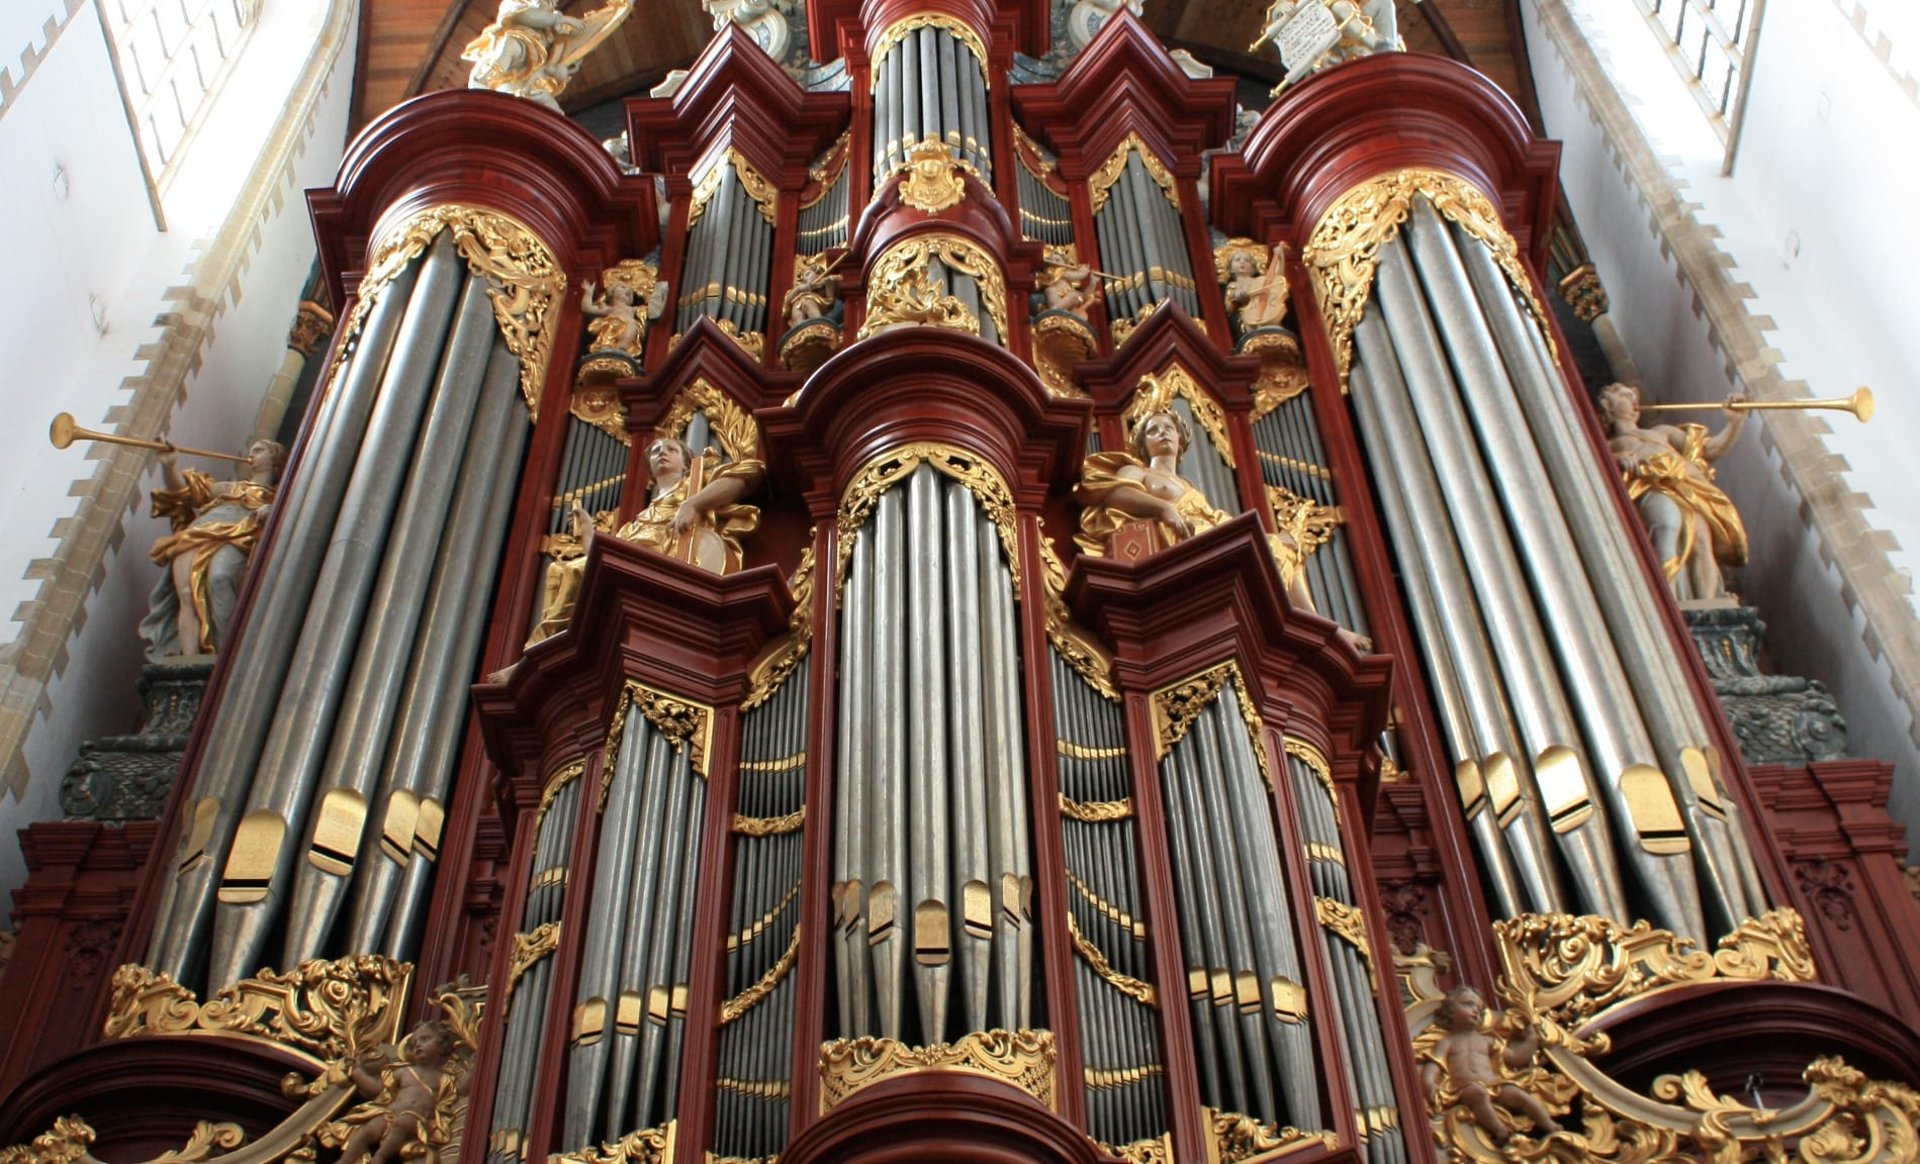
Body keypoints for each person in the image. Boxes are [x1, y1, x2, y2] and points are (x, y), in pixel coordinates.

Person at [1076, 410, 1368, 648]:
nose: (1162, 433)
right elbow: (1115, 495)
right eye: (1153, 430)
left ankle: (1320, 627)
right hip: (1178, 539)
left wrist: (1270, 538)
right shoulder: (1137, 471)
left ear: (1180, 438)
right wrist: (1163, 508)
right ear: (1143, 443)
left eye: (1169, 428)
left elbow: (1221, 523)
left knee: (1282, 549)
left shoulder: (1190, 488)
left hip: (1204, 534)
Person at [525, 435, 764, 646]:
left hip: (663, 562)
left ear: (686, 463)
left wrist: (693, 503)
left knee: (572, 572)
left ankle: (540, 649)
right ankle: (551, 643)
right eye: (657, 450)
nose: (662, 452)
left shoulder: (692, 487)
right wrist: (588, 533)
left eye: (671, 449)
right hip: (632, 566)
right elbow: (603, 559)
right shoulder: (639, 520)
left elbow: (748, 472)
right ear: (649, 468)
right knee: (557, 569)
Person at [1598, 381, 1749, 602]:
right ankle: (1666, 598)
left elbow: (1710, 449)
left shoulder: (1661, 433)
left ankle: (1707, 605)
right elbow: (1593, 466)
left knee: (1702, 540)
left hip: (1687, 488)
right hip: (1652, 487)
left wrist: (1735, 423)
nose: (1632, 401)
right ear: (1608, 406)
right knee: (1667, 525)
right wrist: (1617, 459)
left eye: (1633, 397)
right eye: (1624, 396)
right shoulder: (1607, 444)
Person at [139, 437, 284, 661]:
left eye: (259, 450)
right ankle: (190, 659)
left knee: (220, 577)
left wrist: (271, 508)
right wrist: (169, 465)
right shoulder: (228, 487)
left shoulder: (278, 497)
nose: (252, 454)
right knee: (186, 595)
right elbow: (184, 492)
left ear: (274, 459)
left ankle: (227, 653)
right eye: (252, 450)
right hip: (197, 533)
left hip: (237, 535)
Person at [1420, 986, 1562, 1145]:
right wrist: (1429, 1084)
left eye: (1479, 1010)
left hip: (1494, 1084)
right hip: (1465, 1088)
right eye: (1468, 1004)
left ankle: (1549, 1124)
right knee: (1478, 1094)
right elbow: (1434, 1066)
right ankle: (1500, 1131)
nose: (1475, 1011)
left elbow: (1515, 1058)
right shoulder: (1447, 1042)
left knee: (1519, 1095)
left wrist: (1531, 1040)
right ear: (1451, 1010)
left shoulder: (1488, 1041)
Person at [330, 1020, 464, 1164]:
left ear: (442, 1045)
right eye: (413, 1043)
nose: (418, 1044)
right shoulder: (403, 1071)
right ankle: (344, 1160)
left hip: (416, 1120)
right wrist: (357, 1072)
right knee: (366, 1131)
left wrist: (475, 1069)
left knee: (402, 1123)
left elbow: (461, 1090)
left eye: (425, 1039)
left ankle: (380, 1158)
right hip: (390, 1113)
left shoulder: (444, 1078)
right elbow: (378, 1089)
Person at [1218, 242, 1291, 336]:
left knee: (1274, 321)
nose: (1242, 262)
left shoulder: (1260, 281)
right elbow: (1229, 306)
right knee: (1251, 325)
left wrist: (1280, 259)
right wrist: (1238, 295)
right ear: (1231, 269)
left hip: (1267, 310)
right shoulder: (1233, 285)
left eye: (1247, 260)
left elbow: (1278, 280)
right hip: (1248, 315)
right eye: (1237, 260)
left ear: (1253, 267)